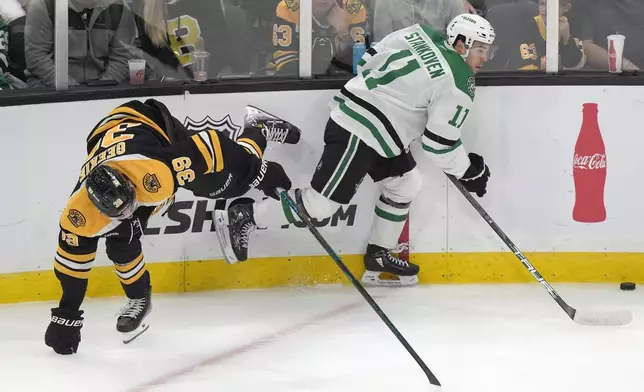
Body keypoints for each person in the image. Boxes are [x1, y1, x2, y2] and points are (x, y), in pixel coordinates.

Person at [215, 14, 495, 286]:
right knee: (320, 206)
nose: (484, 58)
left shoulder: (421, 32)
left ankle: (378, 254)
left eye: (487, 50)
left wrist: (387, 99)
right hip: (358, 130)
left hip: (377, 129)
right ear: (461, 44)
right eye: (480, 49)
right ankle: (246, 215)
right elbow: (438, 144)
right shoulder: (459, 83)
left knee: (406, 183)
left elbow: (370, 55)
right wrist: (469, 170)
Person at [45, 99, 300, 355]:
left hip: (152, 124)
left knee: (222, 183)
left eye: (130, 204)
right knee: (123, 234)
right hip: (107, 136)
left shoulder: (156, 172)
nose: (129, 213)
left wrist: (262, 173)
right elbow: (72, 264)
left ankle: (257, 129)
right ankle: (139, 296)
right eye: (120, 211)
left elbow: (214, 145)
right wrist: (65, 316)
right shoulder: (79, 214)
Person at [271, 0, 367, 76]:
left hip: (340, 84)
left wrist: (343, 31)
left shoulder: (354, 9)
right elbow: (286, 67)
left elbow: (360, 66)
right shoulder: (288, 7)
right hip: (298, 85)